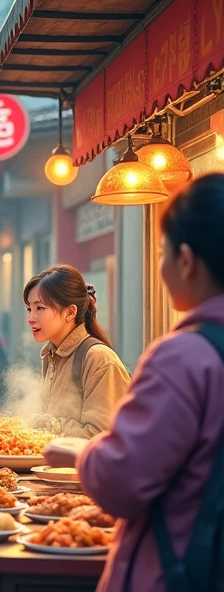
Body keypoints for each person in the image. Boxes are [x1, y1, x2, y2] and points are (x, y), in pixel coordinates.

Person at [43, 174, 224, 592]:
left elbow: (122, 482)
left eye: (161, 251)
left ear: (186, 260)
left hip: (180, 569)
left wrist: (84, 454)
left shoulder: (185, 357)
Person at [24, 265, 131, 437]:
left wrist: (46, 425)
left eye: (40, 308)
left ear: (70, 312)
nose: (31, 318)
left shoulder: (99, 359)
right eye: (29, 308)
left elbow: (102, 436)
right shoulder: (50, 356)